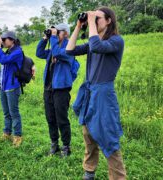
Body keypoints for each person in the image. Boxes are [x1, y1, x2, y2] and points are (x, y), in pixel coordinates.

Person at [66, 7, 126, 180]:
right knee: (88, 135)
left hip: (104, 95)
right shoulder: (93, 43)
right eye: (93, 18)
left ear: (109, 21)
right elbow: (69, 51)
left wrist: (90, 22)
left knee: (109, 138)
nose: (94, 20)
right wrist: (79, 26)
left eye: (98, 18)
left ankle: (118, 177)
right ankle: (89, 172)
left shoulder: (116, 41)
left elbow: (97, 46)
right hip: (90, 93)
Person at [36, 23, 78, 157]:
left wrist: (53, 38)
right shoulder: (53, 46)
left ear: (65, 33)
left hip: (61, 90)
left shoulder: (70, 48)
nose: (55, 33)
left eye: (58, 31)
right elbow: (39, 53)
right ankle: (54, 144)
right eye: (55, 32)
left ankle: (66, 147)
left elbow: (57, 53)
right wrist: (45, 38)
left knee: (62, 119)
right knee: (50, 118)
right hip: (48, 88)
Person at [0, 31, 23, 147]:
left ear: (12, 40)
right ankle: (7, 133)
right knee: (6, 113)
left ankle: (18, 136)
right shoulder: (6, 52)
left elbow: (3, 60)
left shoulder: (17, 52)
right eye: (1, 39)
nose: (2, 41)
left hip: (12, 87)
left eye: (4, 39)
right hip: (3, 87)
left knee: (14, 113)